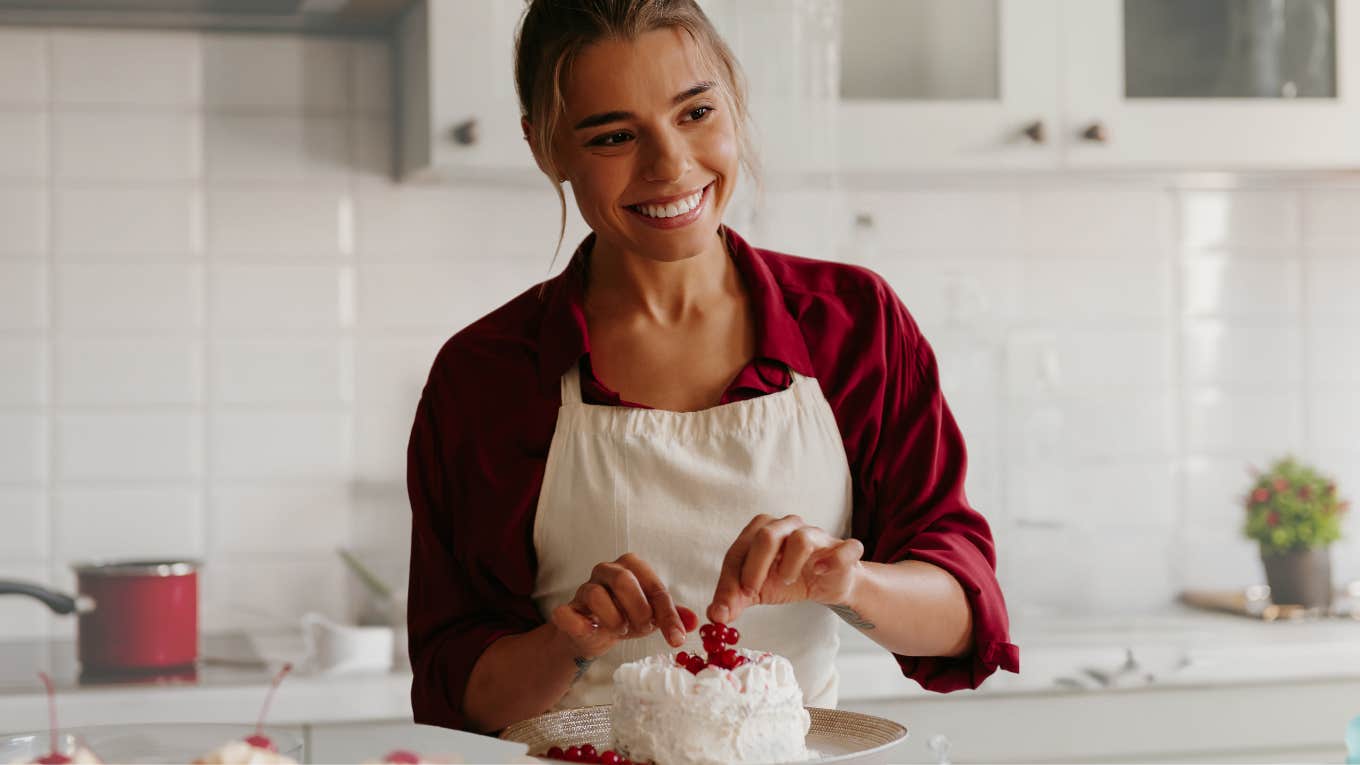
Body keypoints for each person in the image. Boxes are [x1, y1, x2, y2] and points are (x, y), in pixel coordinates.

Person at [406, 0, 1019, 734]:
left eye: (695, 112)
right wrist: (565, 643)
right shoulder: (485, 376)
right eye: (613, 135)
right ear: (546, 149)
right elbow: (453, 690)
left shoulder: (854, 323)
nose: (670, 165)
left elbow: (962, 615)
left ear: (734, 96)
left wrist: (848, 579)